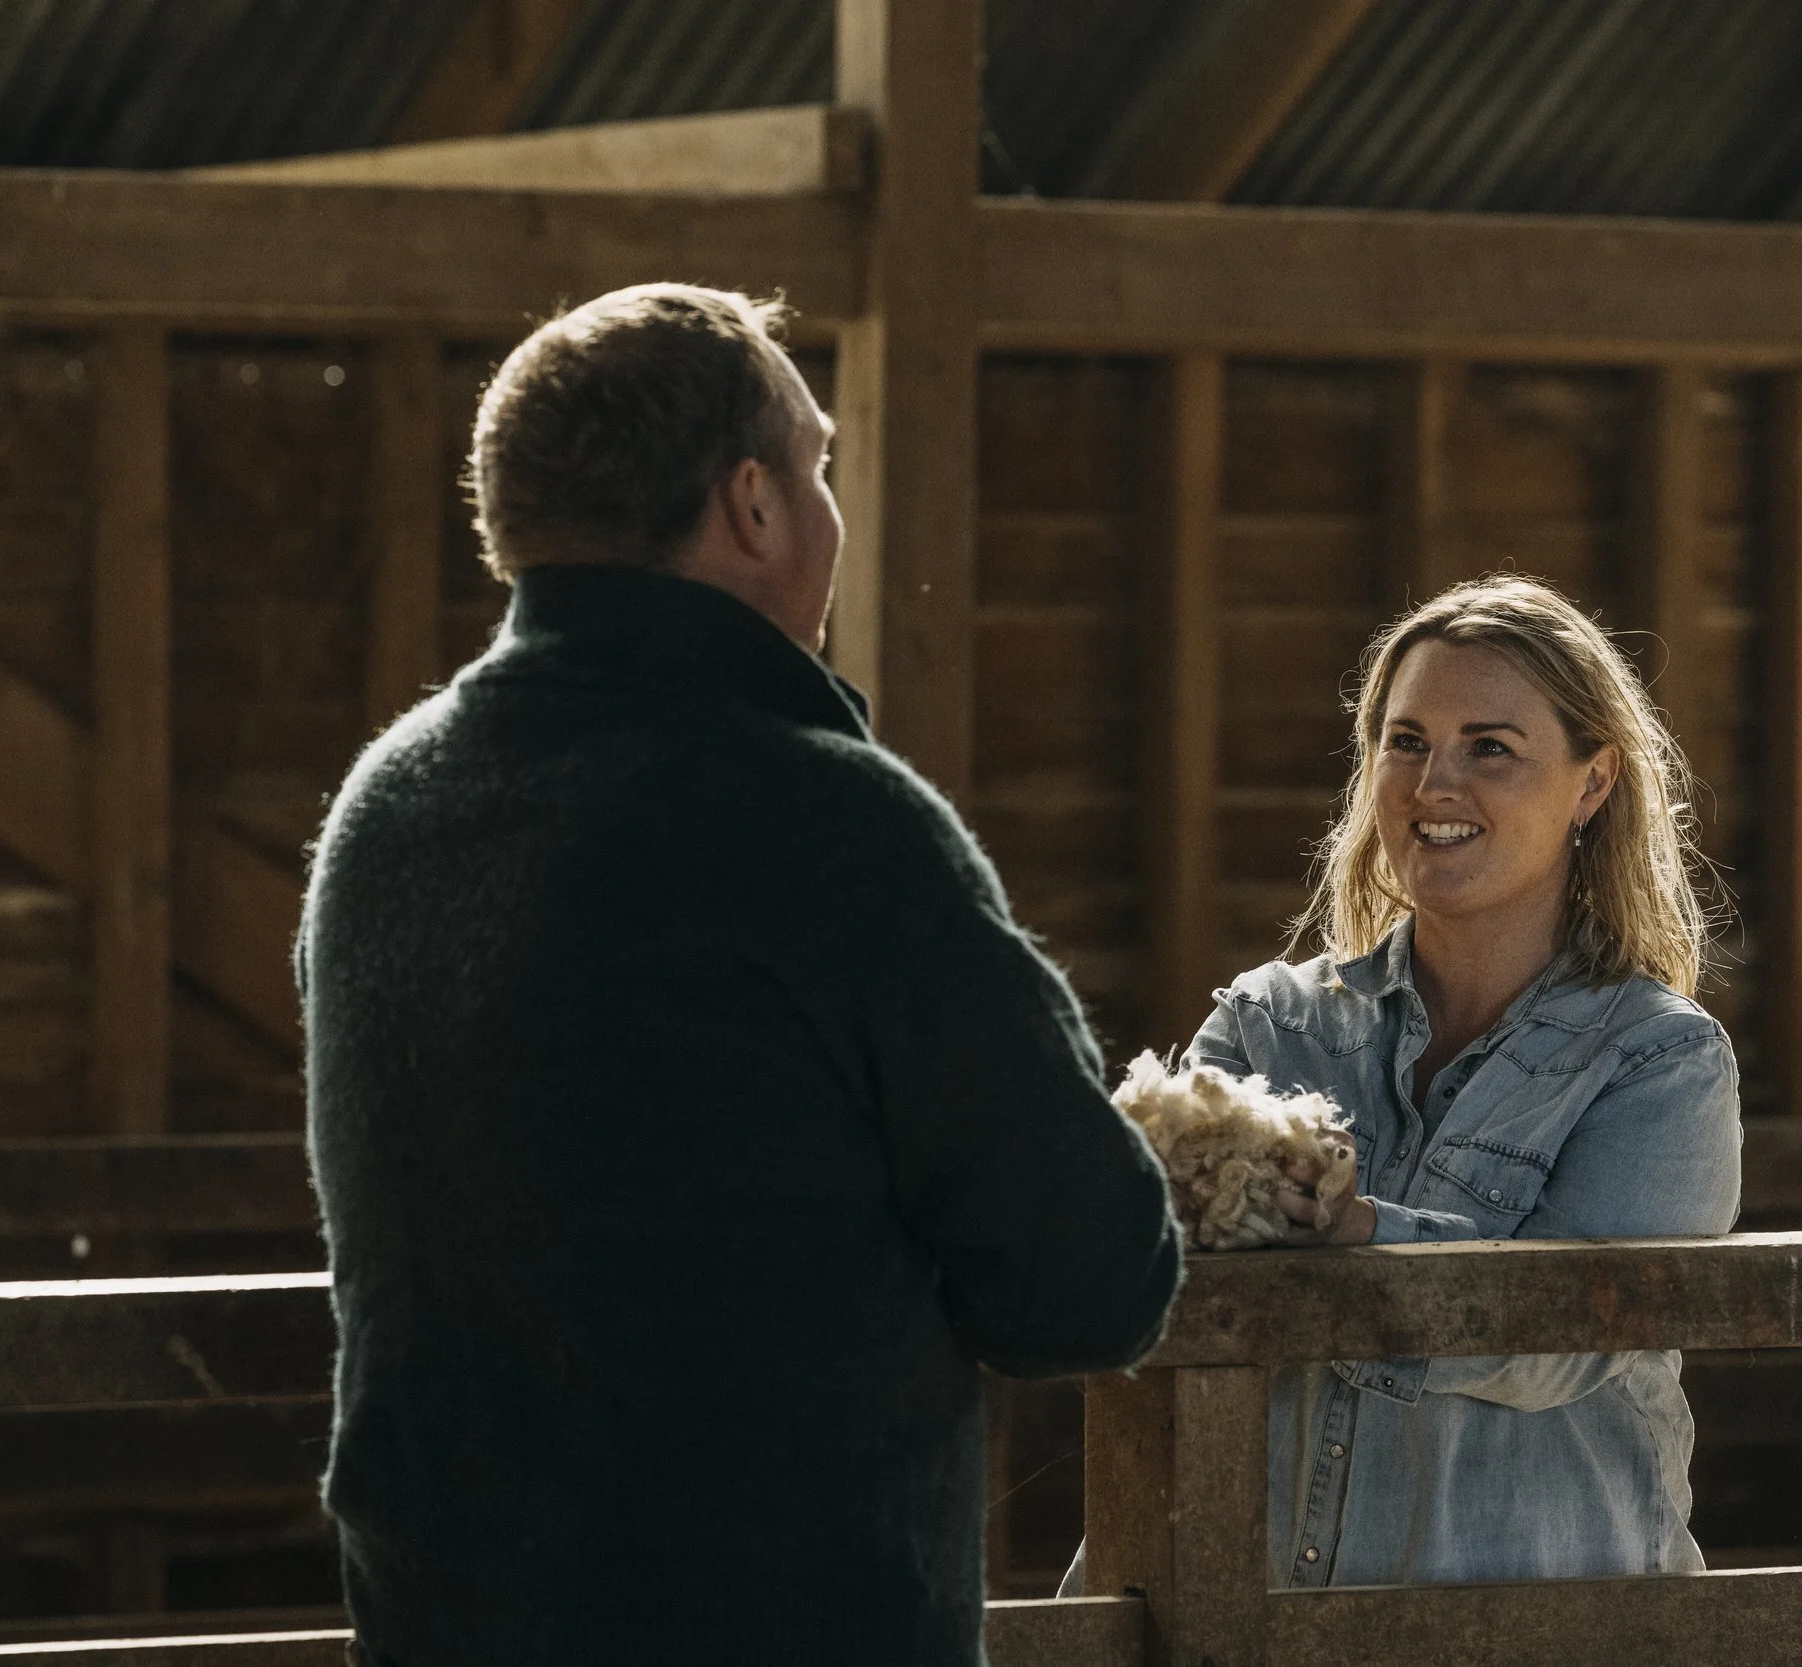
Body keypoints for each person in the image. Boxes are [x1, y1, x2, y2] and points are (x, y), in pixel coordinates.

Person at [301, 284, 1183, 1667]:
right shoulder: (831, 822)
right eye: (821, 468)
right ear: (755, 504)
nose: (834, 515)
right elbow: (1086, 1276)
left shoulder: (384, 813)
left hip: (446, 1619)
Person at [1067, 574, 1740, 1594]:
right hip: (1253, 1630)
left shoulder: (1657, 1061)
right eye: (1406, 740)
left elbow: (1559, 1348)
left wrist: (1359, 1234)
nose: (1435, 784)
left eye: (1490, 747)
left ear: (1591, 784)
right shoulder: (1267, 1025)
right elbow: (1141, 1269)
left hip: (1537, 1639)